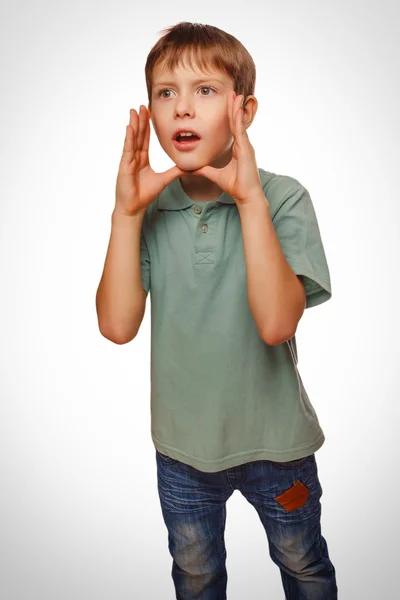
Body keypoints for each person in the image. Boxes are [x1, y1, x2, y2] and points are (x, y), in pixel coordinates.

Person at [95, 21, 338, 600]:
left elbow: (277, 322)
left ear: (244, 110)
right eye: (165, 92)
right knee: (196, 577)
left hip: (278, 450)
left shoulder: (282, 198)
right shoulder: (152, 211)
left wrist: (248, 198)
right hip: (181, 453)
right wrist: (125, 216)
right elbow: (116, 326)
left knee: (303, 567)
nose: (182, 109)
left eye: (204, 90)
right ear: (150, 111)